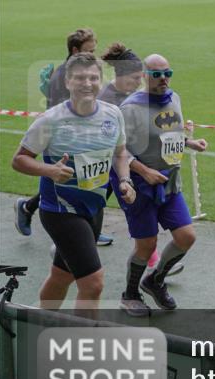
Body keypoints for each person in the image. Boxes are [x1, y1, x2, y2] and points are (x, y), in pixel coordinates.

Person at [10, 52, 136, 312]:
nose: (87, 83)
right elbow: (20, 159)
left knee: (62, 275)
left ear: (101, 80)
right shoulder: (50, 120)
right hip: (60, 210)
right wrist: (49, 170)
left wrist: (125, 180)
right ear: (67, 82)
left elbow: (120, 152)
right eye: (80, 78)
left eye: (93, 77)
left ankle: (39, 322)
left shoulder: (113, 114)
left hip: (94, 207)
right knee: (93, 284)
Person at [115, 54, 207, 316]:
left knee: (187, 236)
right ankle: (130, 293)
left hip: (168, 181)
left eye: (168, 73)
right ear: (144, 76)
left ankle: (154, 281)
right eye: (157, 74)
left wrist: (190, 143)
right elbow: (117, 151)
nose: (163, 78)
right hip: (139, 184)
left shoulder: (174, 98)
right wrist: (145, 172)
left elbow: (169, 134)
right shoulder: (129, 109)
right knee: (147, 244)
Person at [15, 29, 114, 246]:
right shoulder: (65, 77)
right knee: (74, 181)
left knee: (94, 177)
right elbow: (63, 112)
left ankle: (82, 226)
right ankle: (37, 211)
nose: (93, 55)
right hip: (69, 144)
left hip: (86, 141)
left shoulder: (78, 73)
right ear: (75, 50)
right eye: (89, 50)